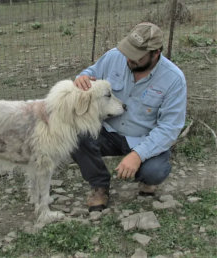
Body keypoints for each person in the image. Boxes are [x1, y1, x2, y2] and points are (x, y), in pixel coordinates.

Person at [72, 22, 187, 212]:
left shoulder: (174, 80)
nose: (128, 59)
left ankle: (147, 177)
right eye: (128, 52)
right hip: (107, 132)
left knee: (154, 172)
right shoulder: (115, 56)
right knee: (75, 136)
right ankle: (100, 186)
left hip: (143, 138)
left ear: (155, 53)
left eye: (135, 56)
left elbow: (169, 128)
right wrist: (83, 77)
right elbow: (91, 73)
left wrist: (138, 154)